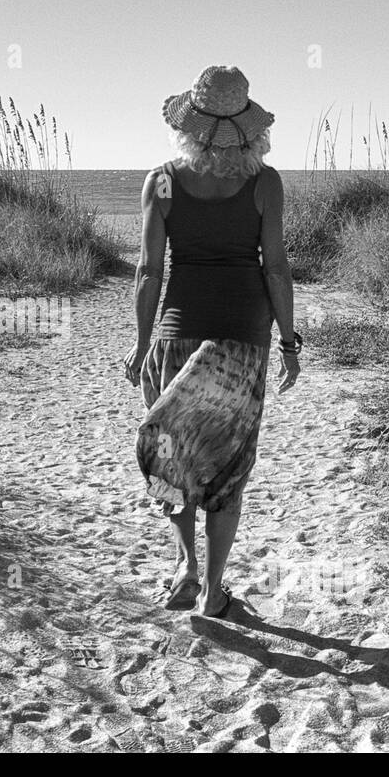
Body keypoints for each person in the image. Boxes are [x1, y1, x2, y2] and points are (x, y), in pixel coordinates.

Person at [124, 64, 300, 619]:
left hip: (176, 334)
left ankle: (186, 569)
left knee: (174, 454)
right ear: (251, 130)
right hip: (242, 339)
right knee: (227, 466)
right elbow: (275, 269)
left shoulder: (162, 181)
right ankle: (212, 592)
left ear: (188, 126)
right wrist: (290, 342)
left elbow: (150, 271)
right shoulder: (265, 183)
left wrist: (141, 342)